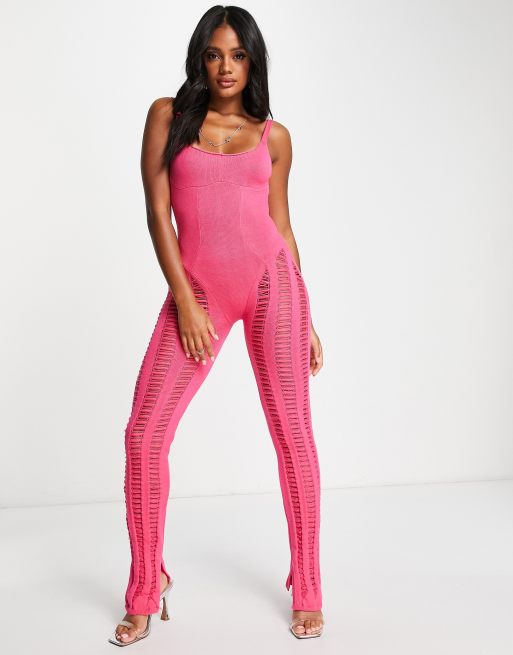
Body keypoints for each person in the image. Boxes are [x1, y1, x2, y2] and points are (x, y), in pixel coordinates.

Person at [108, 5, 325, 646]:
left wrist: (308, 315)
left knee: (294, 438)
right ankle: (146, 586)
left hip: (274, 288)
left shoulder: (273, 136)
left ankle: (309, 586)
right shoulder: (167, 117)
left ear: (253, 62)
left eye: (237, 55)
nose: (225, 67)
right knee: (143, 436)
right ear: (198, 58)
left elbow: (281, 226)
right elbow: (157, 211)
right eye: (214, 54)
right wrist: (184, 298)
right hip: (197, 290)